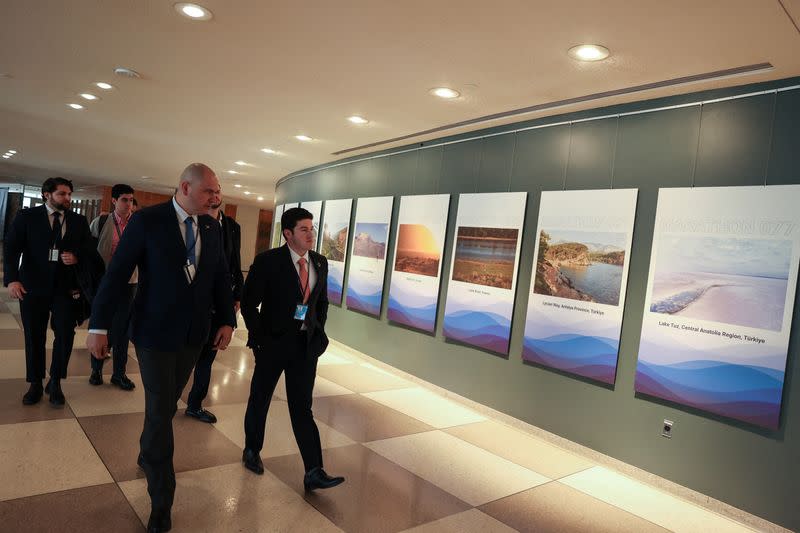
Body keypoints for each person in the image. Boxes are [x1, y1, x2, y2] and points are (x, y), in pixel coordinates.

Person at [87, 163, 235, 533]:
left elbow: (219, 276)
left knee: (167, 405)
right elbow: (117, 274)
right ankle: (161, 497)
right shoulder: (148, 221)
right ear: (185, 187)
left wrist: (227, 322)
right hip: (153, 333)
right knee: (158, 408)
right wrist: (99, 326)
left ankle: (146, 451)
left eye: (218, 191)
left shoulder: (213, 227)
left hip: (193, 335)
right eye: (209, 191)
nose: (216, 198)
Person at [241, 207, 344, 491]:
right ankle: (252, 450)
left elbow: (321, 302)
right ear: (288, 234)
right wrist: (259, 338)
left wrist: (317, 331)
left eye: (312, 228)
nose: (311, 234)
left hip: (304, 348)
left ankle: (314, 469)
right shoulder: (268, 262)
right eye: (304, 229)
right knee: (260, 399)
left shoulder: (320, 263)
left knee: (302, 407)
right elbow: (249, 304)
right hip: (272, 344)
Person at [4, 177, 97, 406]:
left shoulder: (78, 220)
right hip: (32, 287)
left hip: (65, 289)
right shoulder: (27, 217)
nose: (67, 198)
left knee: (65, 335)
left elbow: (89, 250)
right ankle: (35, 383)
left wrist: (76, 257)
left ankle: (55, 381)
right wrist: (12, 280)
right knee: (34, 335)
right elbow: (12, 248)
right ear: (47, 194)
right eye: (62, 194)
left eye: (69, 194)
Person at [185, 201, 243, 423]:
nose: (214, 196)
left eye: (217, 192)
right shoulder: (191, 223)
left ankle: (195, 404)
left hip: (219, 301)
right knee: (184, 357)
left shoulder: (231, 226)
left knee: (208, 357)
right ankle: (167, 402)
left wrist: (237, 294)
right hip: (193, 302)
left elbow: (234, 262)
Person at [88, 184, 137, 390]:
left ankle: (119, 374)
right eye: (124, 199)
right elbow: (89, 255)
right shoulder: (100, 222)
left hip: (130, 283)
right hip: (105, 282)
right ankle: (96, 370)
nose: (129, 204)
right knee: (101, 325)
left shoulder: (138, 224)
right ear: (115, 201)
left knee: (122, 330)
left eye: (131, 200)